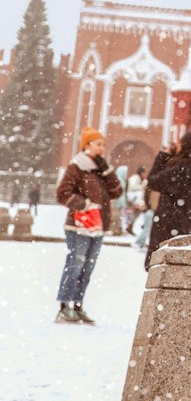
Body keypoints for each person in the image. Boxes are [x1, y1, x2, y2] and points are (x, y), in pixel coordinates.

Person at [53, 128, 122, 324]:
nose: (102, 148)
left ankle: (78, 304)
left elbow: (117, 192)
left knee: (88, 268)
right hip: (78, 225)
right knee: (75, 265)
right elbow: (62, 193)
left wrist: (107, 171)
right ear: (87, 145)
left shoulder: (101, 168)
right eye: (97, 144)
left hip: (98, 226)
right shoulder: (77, 166)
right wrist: (84, 205)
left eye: (103, 144)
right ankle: (64, 306)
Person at [144, 131, 191, 270]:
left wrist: (164, 156)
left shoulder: (179, 169)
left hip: (169, 227)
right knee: (185, 272)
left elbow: (153, 181)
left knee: (162, 271)